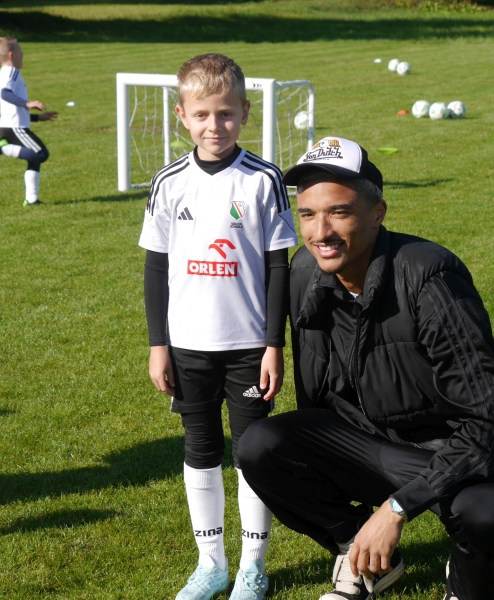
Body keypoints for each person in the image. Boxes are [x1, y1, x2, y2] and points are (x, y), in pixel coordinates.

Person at [239, 137, 494, 600]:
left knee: (486, 515)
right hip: (365, 442)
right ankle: (362, 553)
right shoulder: (305, 272)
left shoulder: (431, 279)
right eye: (308, 214)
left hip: (446, 447)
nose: (320, 232)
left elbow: (491, 425)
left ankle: (466, 579)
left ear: (378, 213)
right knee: (260, 446)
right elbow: (316, 403)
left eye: (338, 212)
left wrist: (397, 507)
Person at [139, 53, 298, 600]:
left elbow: (278, 268)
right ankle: (211, 564)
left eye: (226, 113)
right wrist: (158, 344)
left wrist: (273, 345)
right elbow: (155, 268)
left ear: (245, 113)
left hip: (249, 346)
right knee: (200, 447)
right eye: (203, 114)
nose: (215, 125)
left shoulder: (264, 180)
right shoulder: (168, 183)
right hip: (188, 345)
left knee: (252, 452)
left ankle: (253, 566)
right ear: (182, 115)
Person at [0, 37, 57, 206]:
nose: (23, 54)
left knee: (34, 159)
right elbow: (5, 94)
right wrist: (28, 103)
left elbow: (13, 108)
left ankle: (31, 200)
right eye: (20, 51)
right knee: (41, 154)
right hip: (14, 128)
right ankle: (2, 148)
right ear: (11, 55)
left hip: (11, 126)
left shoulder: (5, 72)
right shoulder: (11, 72)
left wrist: (38, 118)